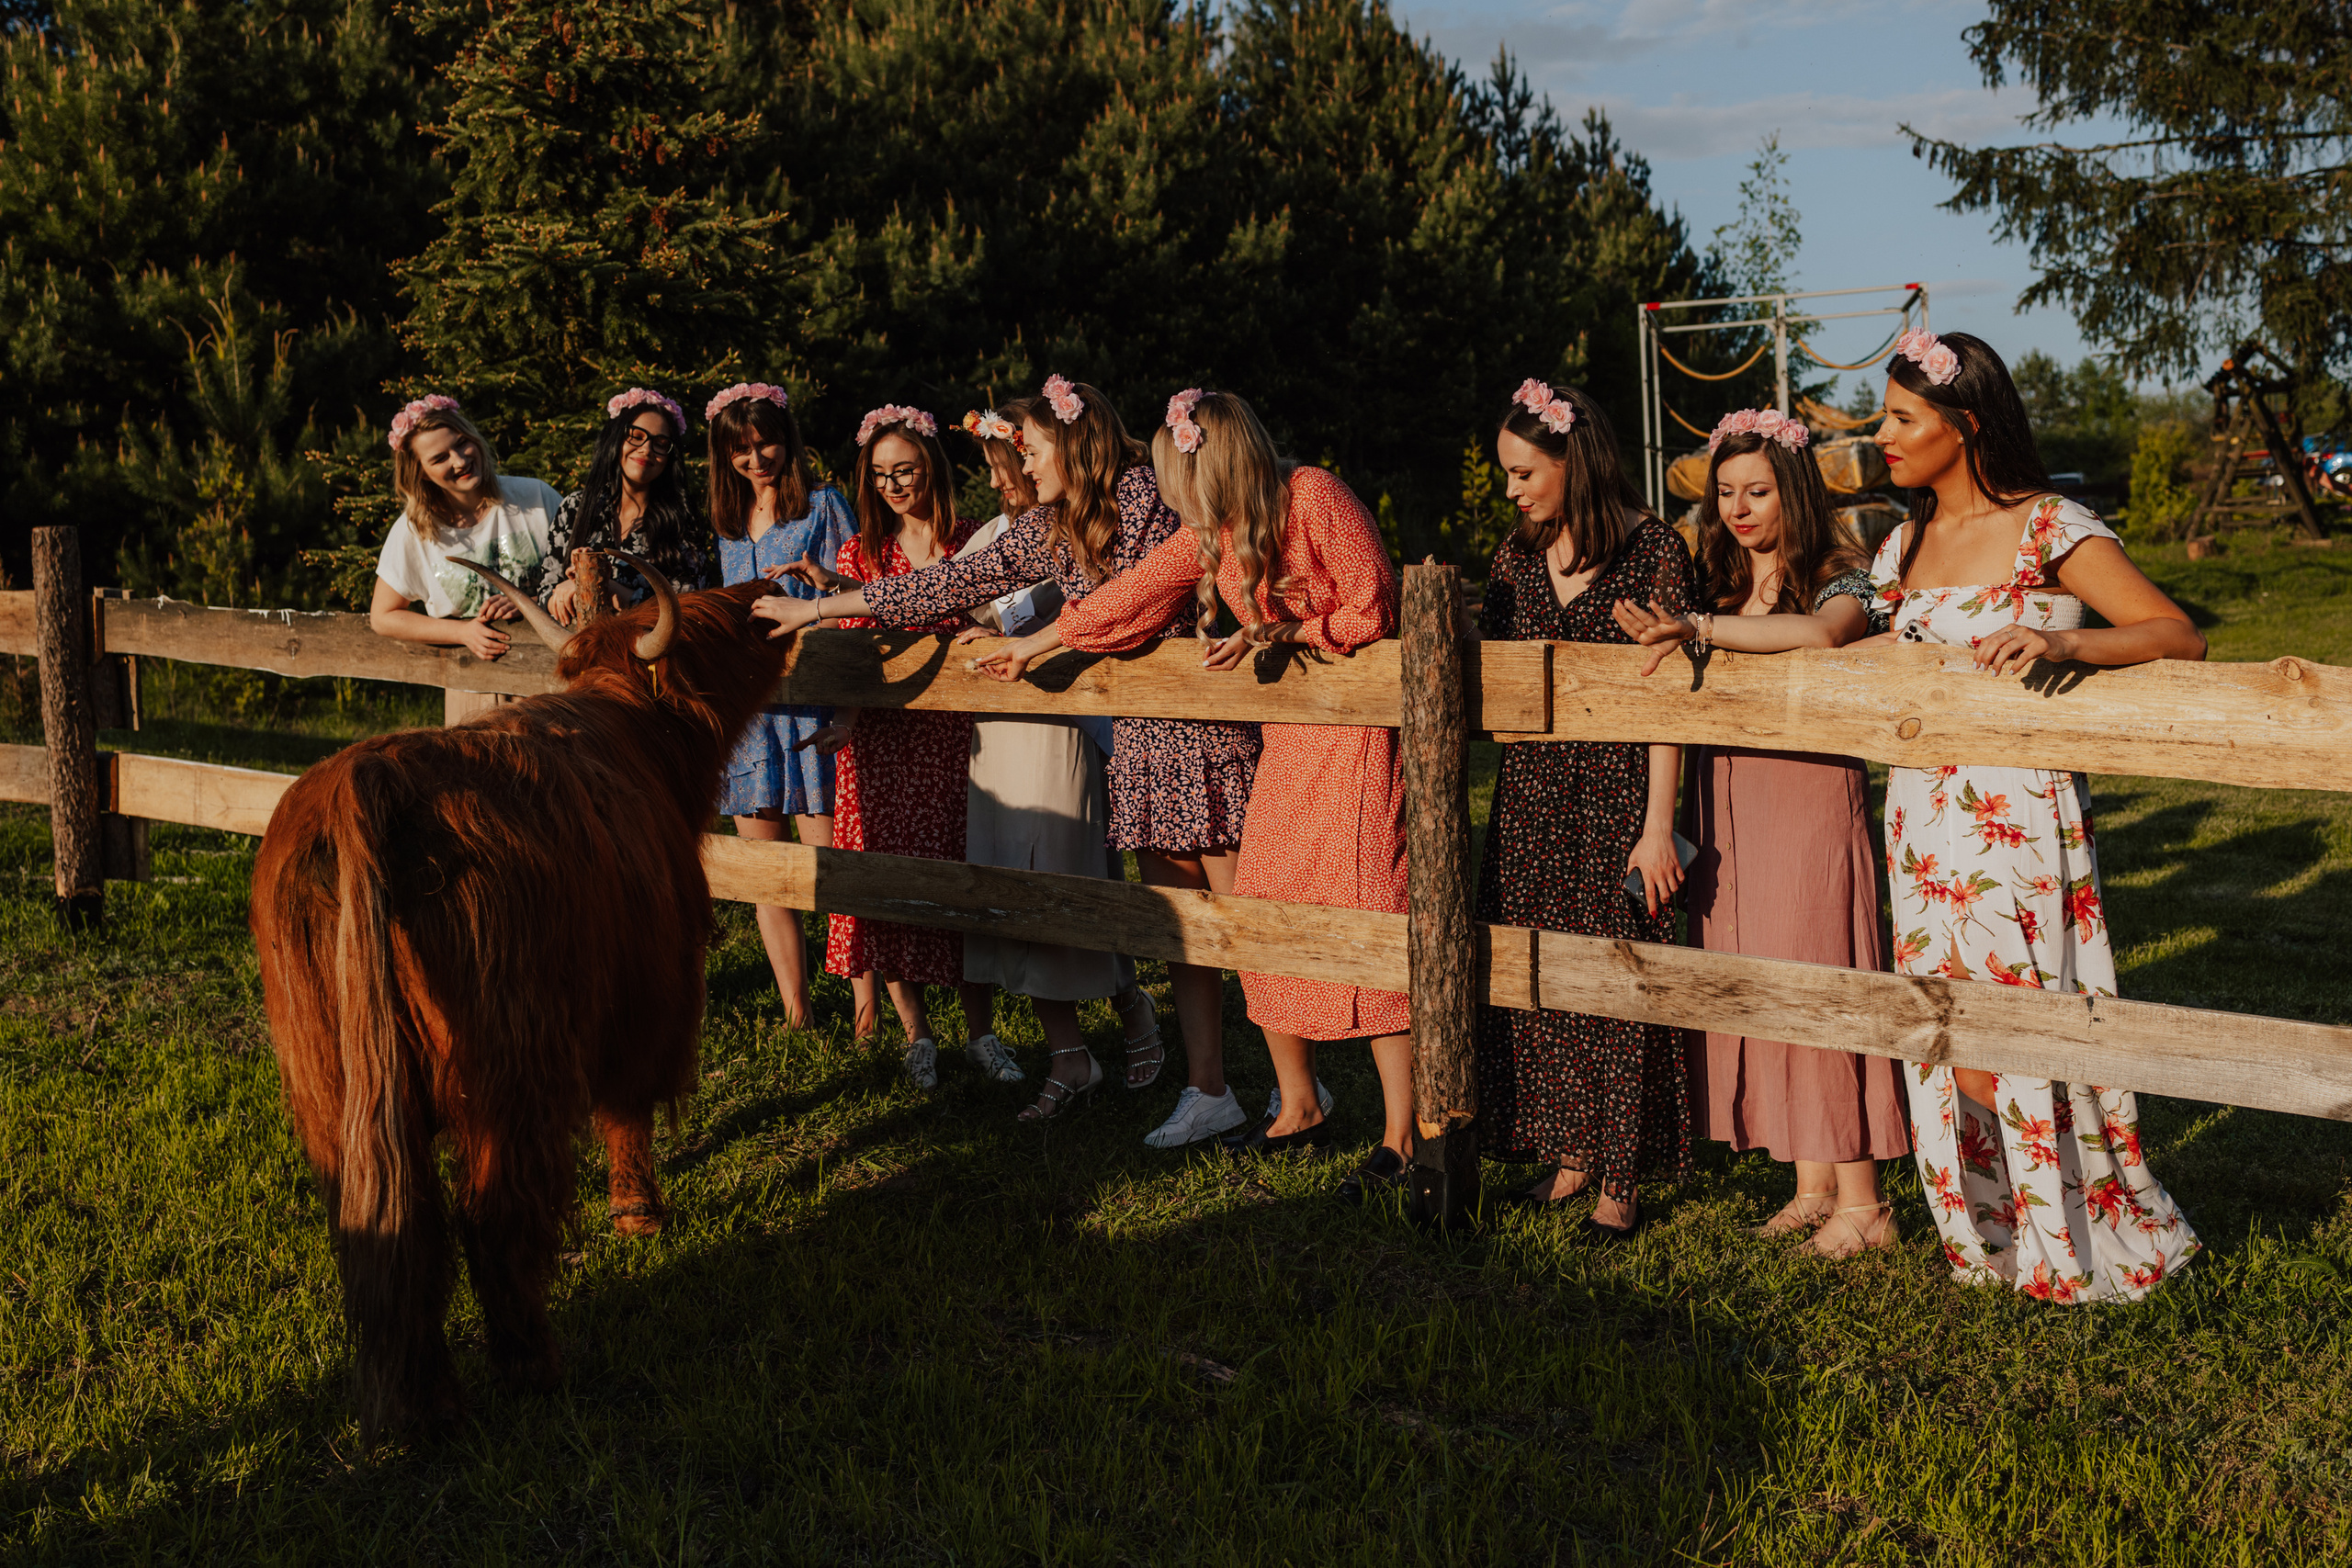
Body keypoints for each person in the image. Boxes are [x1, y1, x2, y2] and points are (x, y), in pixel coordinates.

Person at [756, 378, 1250, 1134]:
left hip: (1201, 724)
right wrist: (819, 607)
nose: (1020, 467)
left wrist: (1039, 640)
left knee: (1252, 921)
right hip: (1139, 735)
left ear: (1075, 446)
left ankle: (1300, 1085)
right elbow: (946, 584)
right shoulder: (1049, 525)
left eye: (1033, 450)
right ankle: (1212, 1087)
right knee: (1178, 930)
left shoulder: (1143, 494)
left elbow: (1135, 598)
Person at [970, 389, 1413, 1201]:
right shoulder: (1213, 532)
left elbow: (1373, 603)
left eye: (1178, 480)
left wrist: (1280, 631)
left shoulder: (1313, 494)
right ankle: (1299, 1107)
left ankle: (1403, 1136)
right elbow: (1131, 593)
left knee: (1371, 908)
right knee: (1264, 907)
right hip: (1290, 739)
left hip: (1358, 734)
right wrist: (1031, 646)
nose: (1171, 498)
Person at [1860, 328, 2202, 1302]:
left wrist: (2066, 645)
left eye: (1901, 418)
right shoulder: (1901, 543)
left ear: (1964, 425)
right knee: (1947, 1026)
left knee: (2024, 1018)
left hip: (2017, 809)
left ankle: (2083, 1234)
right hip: (1918, 815)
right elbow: (1867, 645)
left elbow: (2177, 634)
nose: (1881, 436)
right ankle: (1993, 1240)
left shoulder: (2051, 526)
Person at [1611, 407, 1910, 1258]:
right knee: (1763, 980)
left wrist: (1700, 629)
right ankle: (1812, 1185)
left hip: (1807, 797)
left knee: (1820, 980)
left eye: (1758, 492)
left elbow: (1822, 636)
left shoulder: (1840, 573)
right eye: (1726, 493)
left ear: (1796, 492)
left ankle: (1866, 1202)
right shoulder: (1717, 579)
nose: (1738, 509)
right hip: (1728, 797)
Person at [1473, 378, 1695, 1239]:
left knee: (1619, 973)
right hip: (1531, 790)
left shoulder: (1654, 549)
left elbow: (1670, 695)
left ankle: (1622, 1173)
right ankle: (1570, 1148)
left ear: (1576, 459)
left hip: (1619, 793)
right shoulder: (1515, 556)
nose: (1512, 489)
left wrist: (1657, 825)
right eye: (1508, 473)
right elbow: (1491, 669)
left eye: (1525, 472)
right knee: (1542, 971)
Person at [794, 403, 995, 1089]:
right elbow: (860, 648)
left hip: (956, 736)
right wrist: (846, 721)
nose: (893, 485)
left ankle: (982, 1033)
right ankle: (917, 1034)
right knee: (888, 881)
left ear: (931, 465)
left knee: (962, 878)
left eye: (904, 470)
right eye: (880, 475)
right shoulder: (861, 553)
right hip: (882, 738)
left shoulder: (971, 540)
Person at [706, 380, 858, 1032]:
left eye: (765, 443)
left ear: (786, 440)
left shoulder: (823, 505)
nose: (756, 459)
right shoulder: (727, 524)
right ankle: (799, 1014)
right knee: (765, 871)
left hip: (816, 702)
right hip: (752, 712)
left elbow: (860, 593)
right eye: (740, 450)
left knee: (835, 867)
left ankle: (868, 1014)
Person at [368, 396, 559, 661]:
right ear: (420, 472)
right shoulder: (414, 531)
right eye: (440, 458)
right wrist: (461, 632)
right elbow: (382, 617)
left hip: (556, 673)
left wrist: (531, 602)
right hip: (469, 679)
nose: (459, 461)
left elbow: (584, 572)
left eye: (461, 443)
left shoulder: (535, 496)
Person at [535, 387, 713, 624]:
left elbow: (690, 608)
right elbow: (546, 591)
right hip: (578, 644)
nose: (646, 449)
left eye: (660, 443)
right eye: (636, 436)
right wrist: (569, 590)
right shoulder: (576, 508)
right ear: (616, 438)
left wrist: (609, 588)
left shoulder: (682, 520)